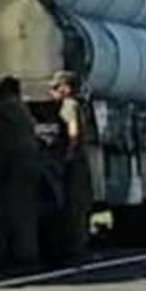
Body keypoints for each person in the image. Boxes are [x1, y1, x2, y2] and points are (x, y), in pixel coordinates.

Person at [0, 76, 41, 266]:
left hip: (16, 164)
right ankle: (29, 253)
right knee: (27, 210)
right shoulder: (21, 108)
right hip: (30, 161)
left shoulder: (4, 107)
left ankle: (21, 256)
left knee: (15, 209)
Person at [50, 70, 92, 258]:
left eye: (57, 87)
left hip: (75, 162)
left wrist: (68, 153)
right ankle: (80, 244)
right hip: (81, 160)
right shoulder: (79, 104)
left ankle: (75, 247)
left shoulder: (69, 105)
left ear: (66, 88)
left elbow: (73, 132)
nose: (53, 91)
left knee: (74, 205)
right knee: (81, 204)